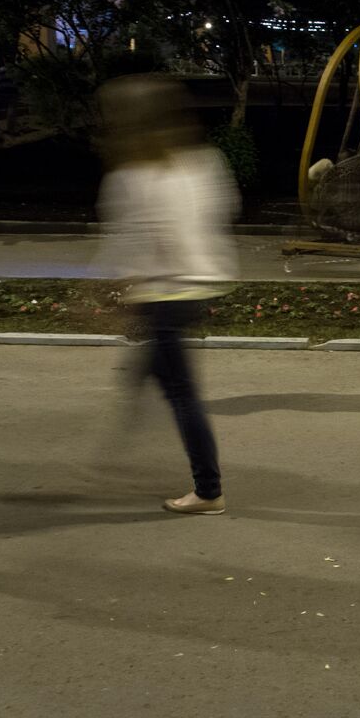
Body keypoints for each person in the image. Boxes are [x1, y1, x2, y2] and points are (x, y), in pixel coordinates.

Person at [94, 75, 239, 515]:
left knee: (181, 393)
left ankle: (208, 491)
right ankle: (127, 416)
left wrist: (109, 288)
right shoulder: (202, 162)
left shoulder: (133, 175)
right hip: (195, 287)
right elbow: (222, 211)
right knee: (159, 371)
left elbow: (130, 243)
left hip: (163, 294)